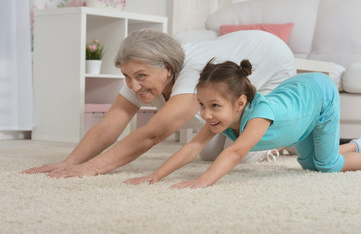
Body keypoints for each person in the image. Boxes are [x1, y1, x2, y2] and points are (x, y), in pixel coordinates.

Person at [22, 28, 296, 178]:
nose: (133, 86)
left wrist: (92, 168)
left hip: (271, 63)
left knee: (245, 154)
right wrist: (69, 162)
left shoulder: (194, 74)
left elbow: (153, 133)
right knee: (210, 154)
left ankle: (284, 139)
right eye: (127, 77)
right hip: (239, 60)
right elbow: (111, 123)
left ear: (167, 69)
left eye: (140, 76)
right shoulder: (140, 73)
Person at [124, 59, 361, 189]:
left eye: (214, 105)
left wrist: (203, 180)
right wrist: (156, 175)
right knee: (310, 164)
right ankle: (356, 145)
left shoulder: (259, 116)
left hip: (319, 96)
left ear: (240, 103)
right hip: (299, 98)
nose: (206, 114)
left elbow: (236, 152)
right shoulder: (220, 116)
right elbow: (192, 147)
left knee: (327, 165)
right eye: (201, 104)